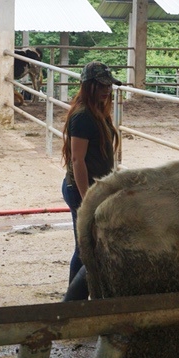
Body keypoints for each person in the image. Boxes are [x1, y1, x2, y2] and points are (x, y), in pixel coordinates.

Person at [61, 61, 122, 301]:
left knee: (90, 246)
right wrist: (88, 197)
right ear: (89, 85)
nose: (107, 90)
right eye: (101, 85)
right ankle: (71, 305)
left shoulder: (97, 111)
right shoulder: (84, 115)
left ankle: (78, 303)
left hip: (94, 187)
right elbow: (77, 160)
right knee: (85, 249)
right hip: (81, 189)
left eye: (108, 85)